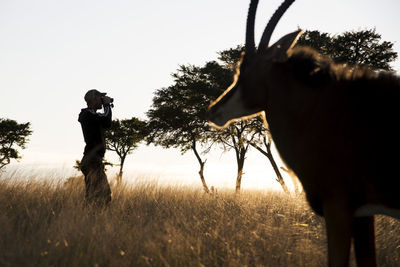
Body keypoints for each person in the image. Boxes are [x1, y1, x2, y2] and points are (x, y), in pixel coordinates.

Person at [78, 89, 113, 207]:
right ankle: (91, 218)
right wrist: (107, 105)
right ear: (94, 100)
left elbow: (104, 120)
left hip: (93, 159)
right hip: (92, 159)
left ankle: (88, 219)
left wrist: (106, 106)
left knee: (94, 194)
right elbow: (107, 121)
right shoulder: (88, 114)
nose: (102, 101)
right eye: (100, 98)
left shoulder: (92, 114)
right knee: (103, 193)